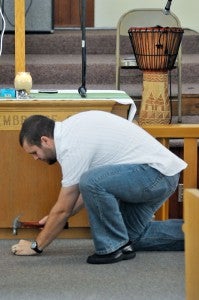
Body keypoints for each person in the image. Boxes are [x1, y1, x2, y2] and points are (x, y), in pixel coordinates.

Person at [11, 110, 187, 264]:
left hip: (157, 174)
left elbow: (65, 207)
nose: (35, 158)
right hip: (158, 174)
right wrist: (53, 219)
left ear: (45, 140)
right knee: (132, 237)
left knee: (91, 180)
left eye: (34, 152)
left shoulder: (71, 147)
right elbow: (82, 195)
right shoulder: (70, 131)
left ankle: (112, 248)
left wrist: (36, 246)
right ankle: (194, 231)